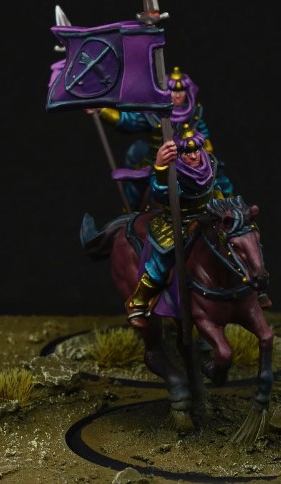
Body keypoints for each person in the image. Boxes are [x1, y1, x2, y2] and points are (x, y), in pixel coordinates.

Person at [94, 66, 233, 210]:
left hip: (190, 160)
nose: (177, 95)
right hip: (158, 159)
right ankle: (131, 213)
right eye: (173, 90)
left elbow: (204, 134)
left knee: (218, 176)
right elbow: (129, 121)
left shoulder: (194, 112)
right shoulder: (154, 113)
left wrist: (205, 149)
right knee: (137, 186)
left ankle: (229, 209)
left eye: (181, 91)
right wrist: (102, 110)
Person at [125, 127, 222, 328]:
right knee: (161, 261)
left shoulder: (210, 163)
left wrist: (223, 207)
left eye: (196, 151)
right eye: (187, 152)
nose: (193, 156)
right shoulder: (171, 170)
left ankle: (254, 286)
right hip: (177, 221)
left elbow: (215, 188)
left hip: (207, 218)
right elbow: (160, 193)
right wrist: (161, 168)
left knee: (240, 240)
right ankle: (139, 301)